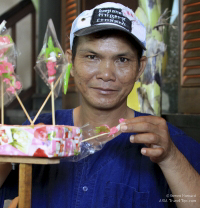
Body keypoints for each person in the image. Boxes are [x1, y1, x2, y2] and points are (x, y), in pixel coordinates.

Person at [0, 2, 200, 208]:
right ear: (71, 61)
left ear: (140, 68)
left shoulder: (167, 142)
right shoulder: (35, 131)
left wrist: (170, 158)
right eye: (92, 57)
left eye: (122, 59)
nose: (106, 74)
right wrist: (8, 152)